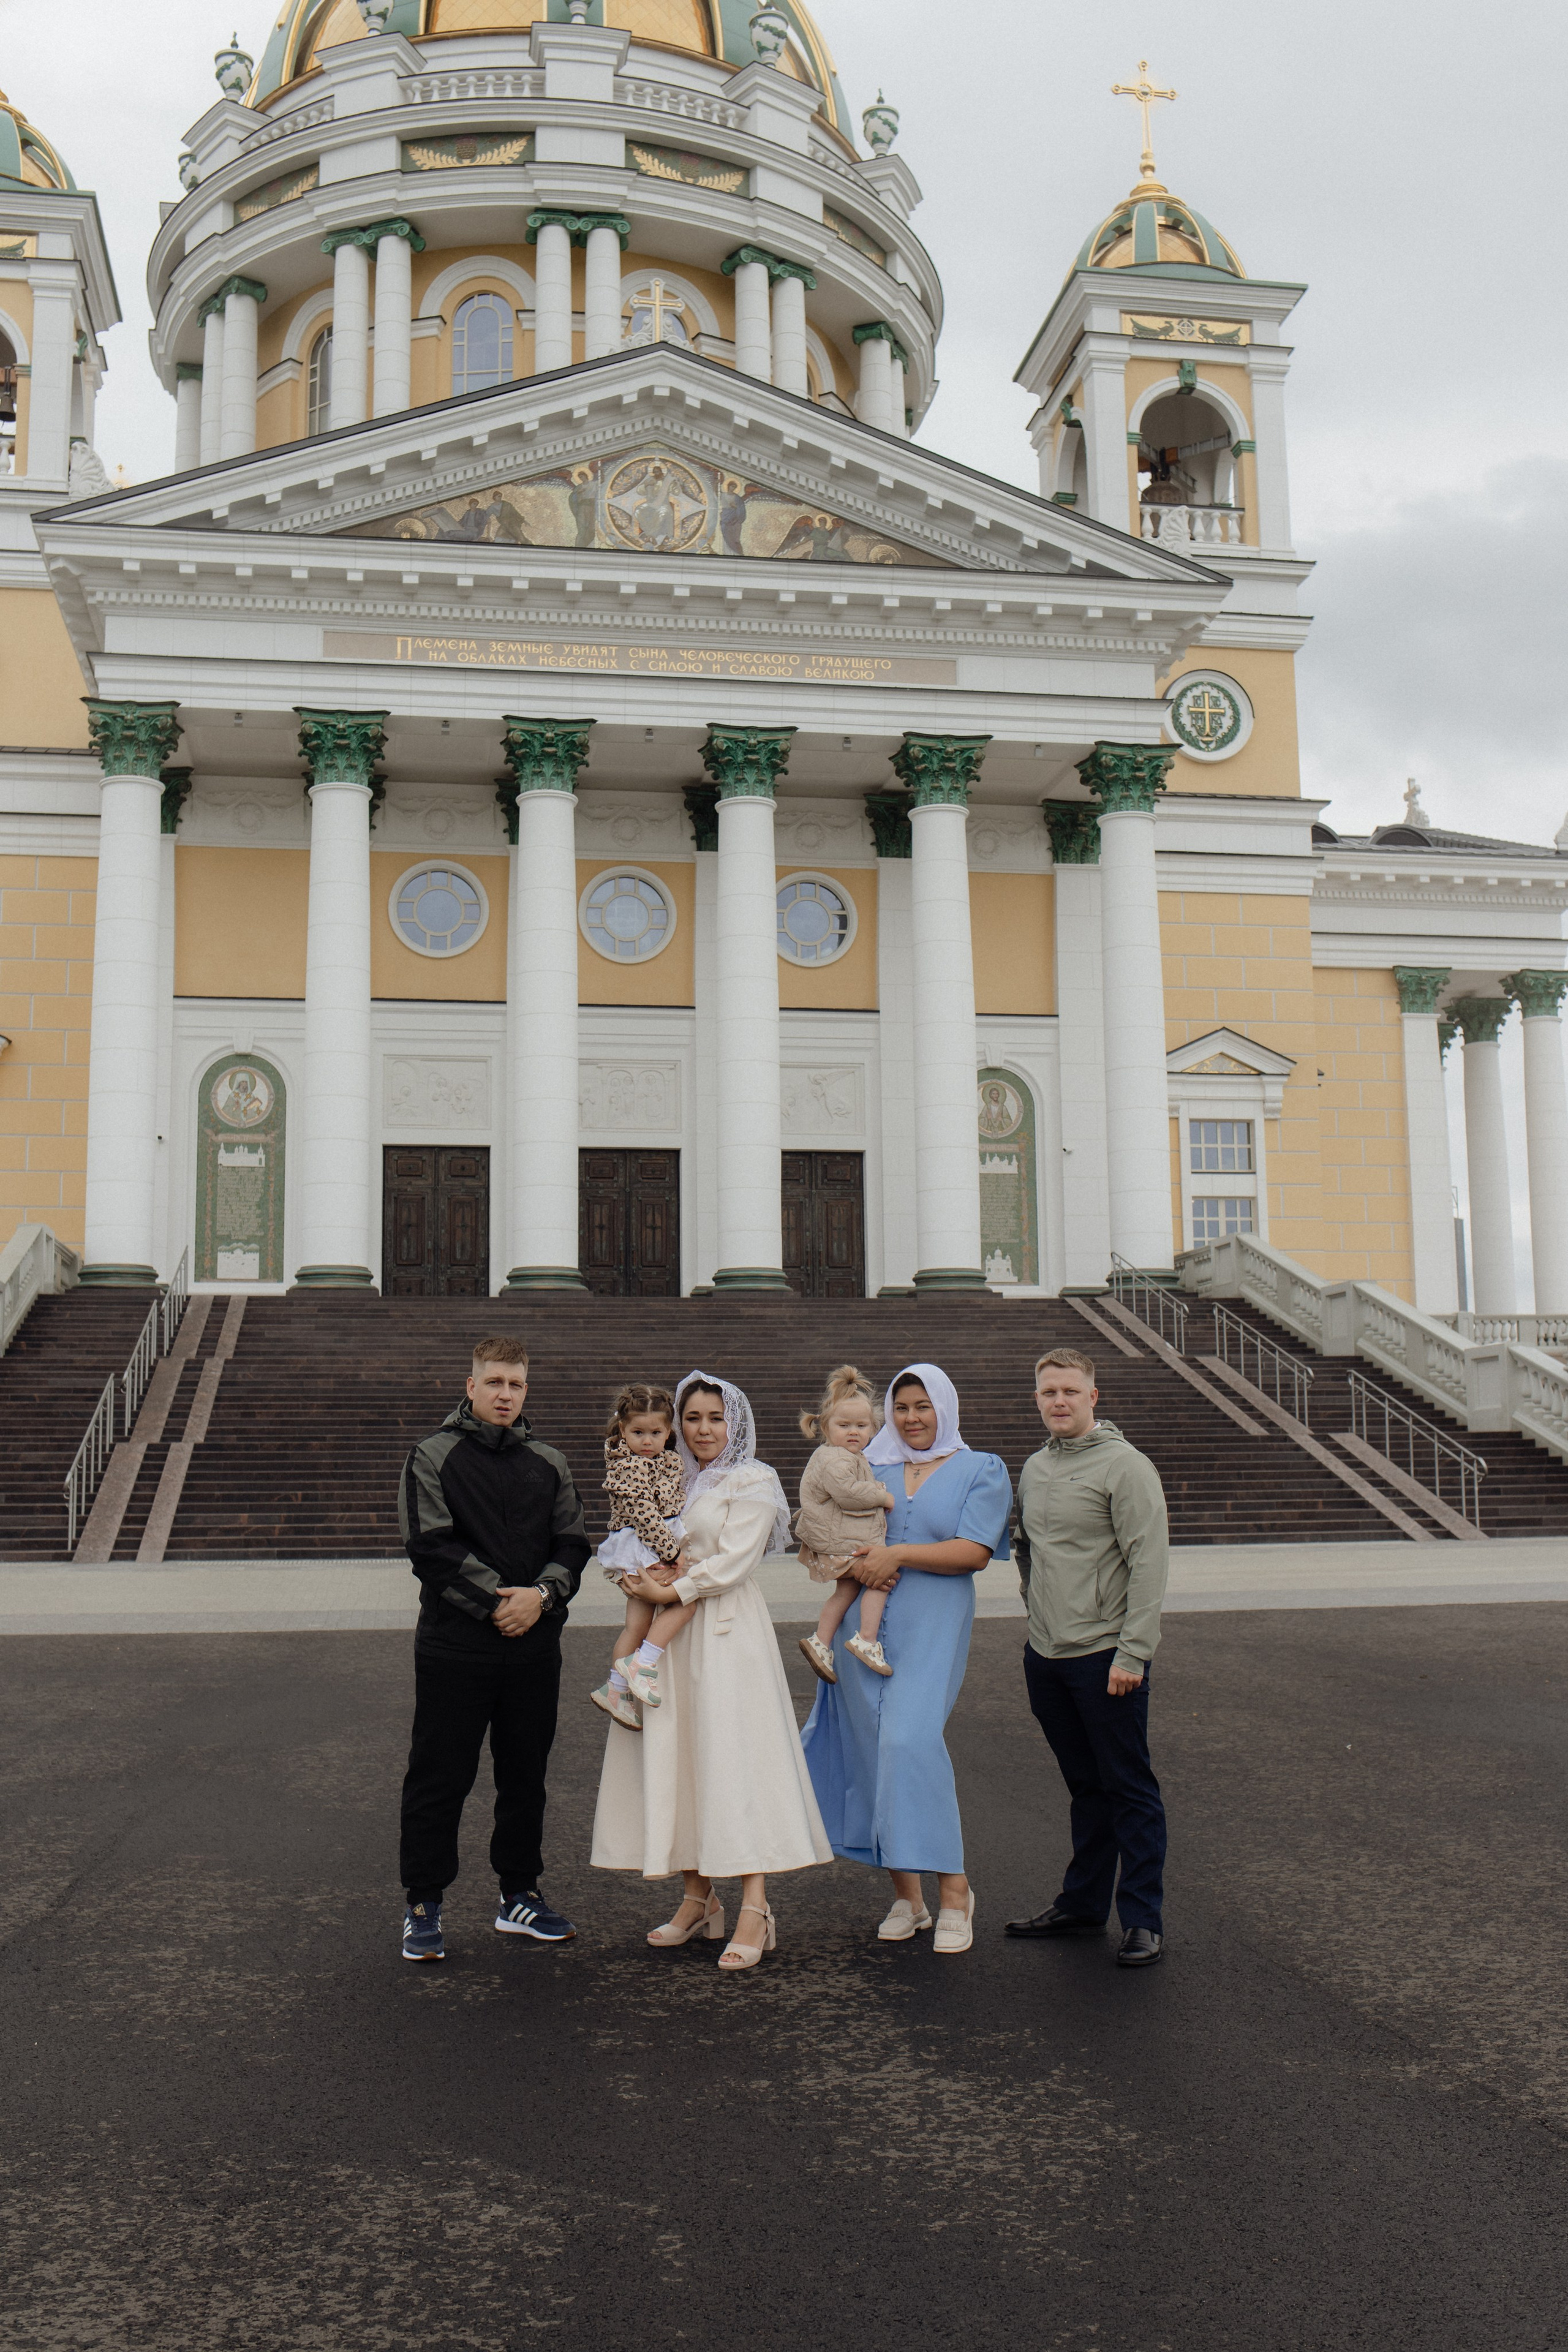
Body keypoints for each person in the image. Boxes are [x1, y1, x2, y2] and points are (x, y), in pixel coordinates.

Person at [590, 1369, 833, 1970]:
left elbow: (734, 1561)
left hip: (725, 1632)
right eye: (692, 1418)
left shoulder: (753, 1479)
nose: (703, 1429)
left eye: (715, 1418)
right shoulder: (667, 1473)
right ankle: (698, 1899)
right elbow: (636, 1532)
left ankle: (755, 1907)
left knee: (733, 1761)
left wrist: (670, 1589)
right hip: (671, 1637)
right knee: (682, 1757)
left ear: (735, 1423)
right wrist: (633, 1574)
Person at [801, 1364, 1012, 1956]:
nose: (912, 1418)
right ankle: (907, 1897)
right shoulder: (873, 1465)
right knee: (873, 1747)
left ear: (944, 1407)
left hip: (931, 1622)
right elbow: (831, 1517)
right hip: (860, 1627)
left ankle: (955, 1892)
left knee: (910, 1741)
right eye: (901, 1407)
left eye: (923, 1406)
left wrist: (896, 1555)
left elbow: (974, 1551)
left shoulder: (980, 1468)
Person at [396, 1334, 590, 1963]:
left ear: (526, 1390)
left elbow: (573, 1544)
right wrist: (501, 1603)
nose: (505, 1395)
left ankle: (519, 1895)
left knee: (525, 1777)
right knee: (440, 1777)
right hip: (456, 1647)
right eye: (495, 1383)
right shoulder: (433, 1455)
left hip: (532, 1648)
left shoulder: (548, 1461)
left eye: (516, 1384)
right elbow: (430, 1546)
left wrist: (541, 1596)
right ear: (471, 1385)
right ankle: (424, 1903)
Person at [1006, 1348, 1170, 1969]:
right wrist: (1035, 1614)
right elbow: (1026, 1547)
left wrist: (1134, 1652)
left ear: (1092, 1397)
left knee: (1129, 1787)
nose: (1059, 1401)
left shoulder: (1126, 1467)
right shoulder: (1036, 1466)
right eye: (1048, 1392)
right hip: (1047, 1655)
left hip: (1106, 1657)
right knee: (1085, 1786)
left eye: (1070, 1391)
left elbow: (1148, 1563)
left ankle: (1142, 1918)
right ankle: (1082, 1905)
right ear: (1037, 1398)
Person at [590, 1382, 691, 1727]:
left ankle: (616, 1689)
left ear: (668, 1432)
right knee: (684, 1603)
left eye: (655, 1433)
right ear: (623, 1430)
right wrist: (672, 1552)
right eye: (638, 1432)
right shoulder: (627, 1466)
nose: (647, 1441)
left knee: (638, 1624)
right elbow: (645, 1516)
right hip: (642, 1546)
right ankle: (641, 1665)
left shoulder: (668, 1461)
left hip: (653, 1545)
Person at [795, 1363, 897, 1683]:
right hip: (839, 1542)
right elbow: (849, 1494)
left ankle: (821, 1642)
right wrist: (882, 1495)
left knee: (846, 1591)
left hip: (839, 1539)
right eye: (844, 1425)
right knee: (881, 1578)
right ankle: (866, 1639)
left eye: (862, 1426)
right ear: (826, 1428)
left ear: (873, 1429)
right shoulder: (836, 1458)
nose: (853, 1432)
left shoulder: (849, 1456)